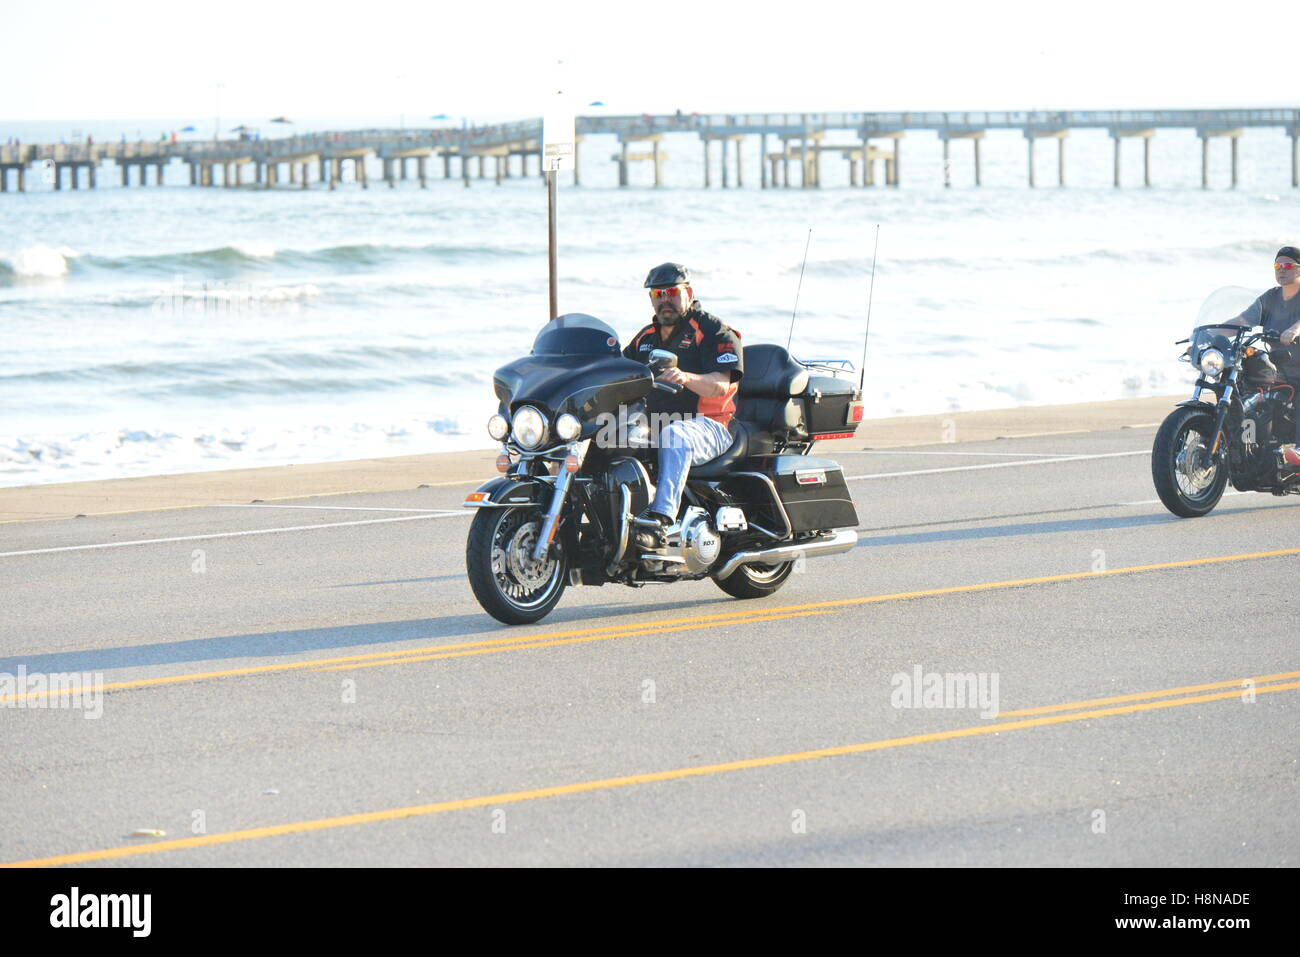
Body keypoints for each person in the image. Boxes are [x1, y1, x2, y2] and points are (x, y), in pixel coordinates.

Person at [622, 263, 744, 545]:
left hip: (710, 426)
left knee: (674, 435)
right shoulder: (645, 338)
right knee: (605, 432)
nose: (664, 299)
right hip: (654, 425)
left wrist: (686, 377)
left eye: (671, 292)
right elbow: (616, 371)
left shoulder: (713, 330)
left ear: (688, 292)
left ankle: (661, 520)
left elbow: (720, 384)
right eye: (657, 294)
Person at [1234, 246, 1300, 466]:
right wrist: (1211, 332)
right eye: (1277, 266)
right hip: (1279, 365)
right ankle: (1244, 447)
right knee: (1246, 387)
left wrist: (1294, 330)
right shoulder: (1271, 297)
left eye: (1288, 266)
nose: (1281, 270)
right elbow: (1243, 320)